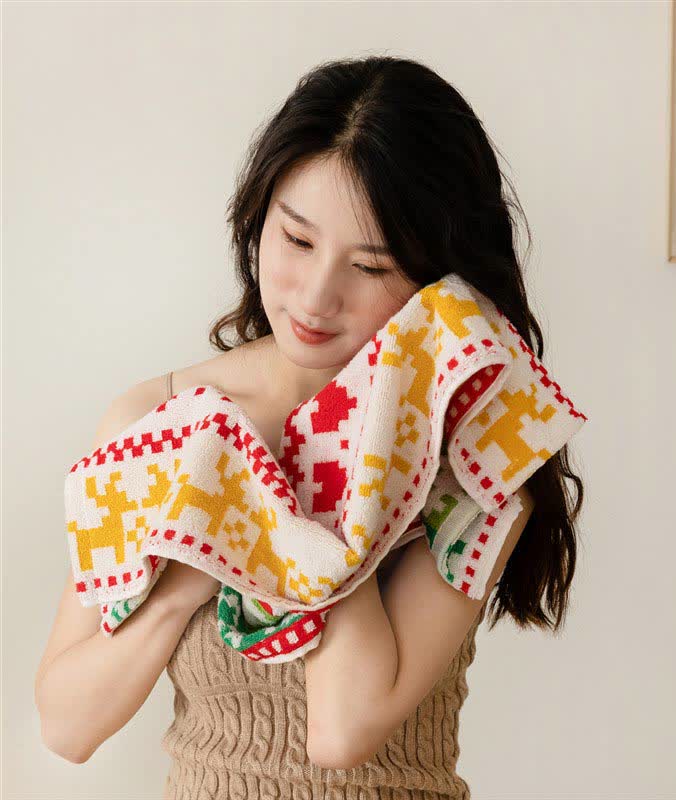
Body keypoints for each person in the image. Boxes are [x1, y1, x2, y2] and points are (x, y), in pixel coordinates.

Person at [34, 55, 586, 798]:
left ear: (440, 282)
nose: (317, 297)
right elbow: (66, 725)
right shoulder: (158, 424)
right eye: (297, 241)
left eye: (372, 266)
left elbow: (343, 731)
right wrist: (181, 582)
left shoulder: (476, 448)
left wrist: (336, 463)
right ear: (258, 219)